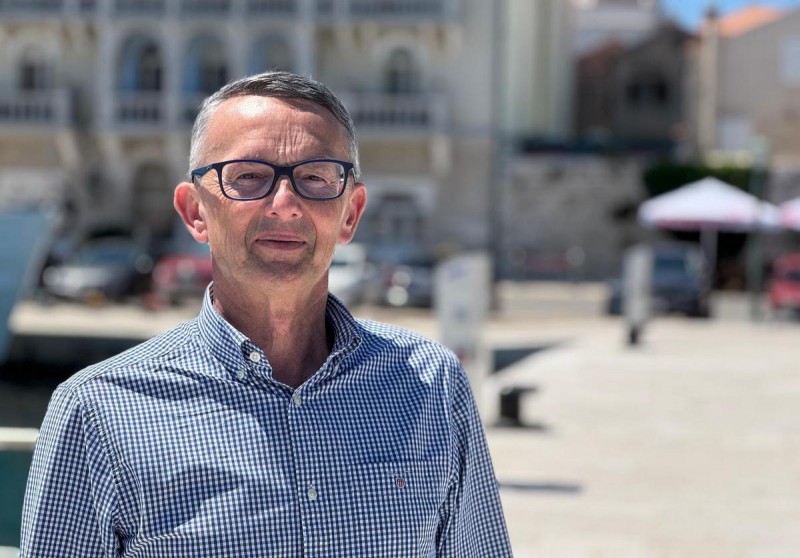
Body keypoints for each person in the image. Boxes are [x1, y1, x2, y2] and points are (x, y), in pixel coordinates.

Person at [21, 71, 512, 557]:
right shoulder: (98, 412)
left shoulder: (431, 386)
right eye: (249, 176)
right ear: (194, 212)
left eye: (316, 177)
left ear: (350, 214)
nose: (284, 204)